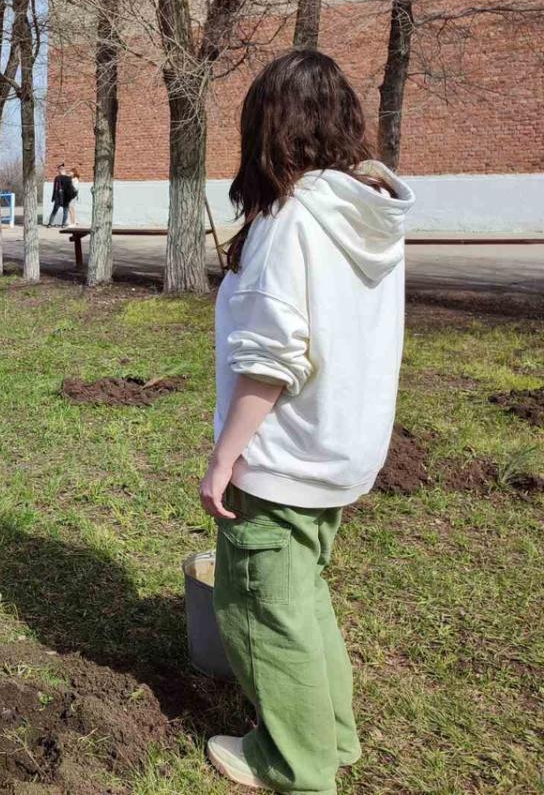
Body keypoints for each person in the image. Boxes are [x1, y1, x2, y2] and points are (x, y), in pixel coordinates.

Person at [198, 50, 414, 793]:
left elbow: (270, 358)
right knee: (304, 596)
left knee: (261, 610)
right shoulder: (365, 215)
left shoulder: (290, 222)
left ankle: (292, 764)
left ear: (269, 128)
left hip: (284, 459)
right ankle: (333, 736)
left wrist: (225, 457)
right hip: (341, 452)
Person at [46, 162, 71, 227]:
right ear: (64, 171)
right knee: (65, 212)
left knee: (54, 211)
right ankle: (63, 224)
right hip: (65, 198)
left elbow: (55, 189)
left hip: (58, 198)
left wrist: (53, 197)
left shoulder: (57, 178)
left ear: (60, 171)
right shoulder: (68, 178)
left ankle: (50, 224)